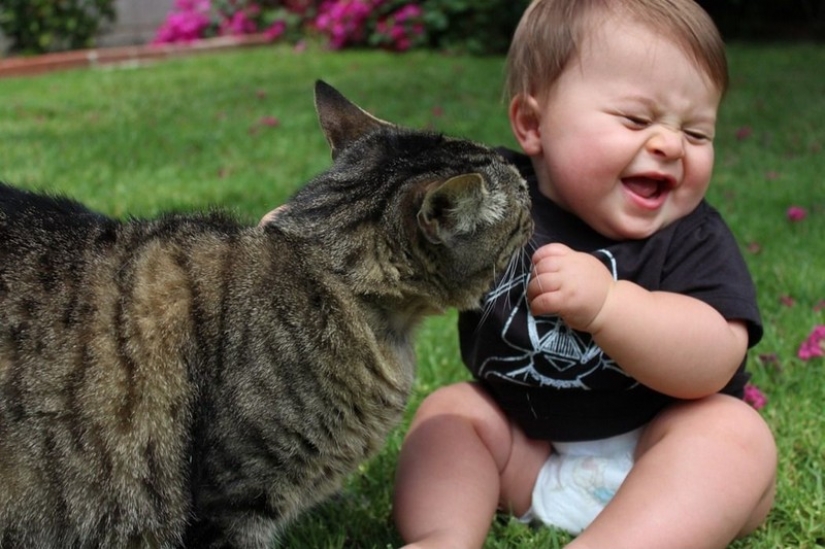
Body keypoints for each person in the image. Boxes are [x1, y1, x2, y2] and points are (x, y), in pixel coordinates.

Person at [392, 1, 777, 548]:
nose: (669, 145)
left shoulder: (692, 235)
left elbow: (715, 359)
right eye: (636, 119)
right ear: (533, 124)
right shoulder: (495, 197)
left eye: (696, 133)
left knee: (734, 436)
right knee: (451, 413)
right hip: (528, 450)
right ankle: (441, 537)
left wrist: (610, 307)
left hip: (659, 459)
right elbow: (410, 222)